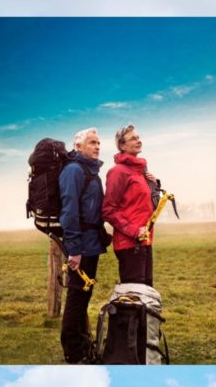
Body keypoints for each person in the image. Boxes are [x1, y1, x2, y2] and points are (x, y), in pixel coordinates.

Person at [59, 127, 107, 364]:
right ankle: (73, 353)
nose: (97, 146)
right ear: (78, 146)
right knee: (77, 299)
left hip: (91, 245)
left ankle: (84, 346)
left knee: (83, 297)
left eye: (98, 142)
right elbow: (69, 213)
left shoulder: (91, 171)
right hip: (82, 247)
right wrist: (74, 249)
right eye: (91, 142)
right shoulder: (74, 171)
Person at [102, 123, 158, 287]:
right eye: (133, 138)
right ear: (122, 145)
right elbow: (108, 210)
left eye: (138, 137)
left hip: (145, 241)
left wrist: (155, 186)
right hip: (129, 244)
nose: (138, 141)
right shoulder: (118, 172)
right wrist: (134, 231)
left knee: (146, 292)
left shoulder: (140, 171)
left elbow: (144, 204)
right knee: (134, 295)